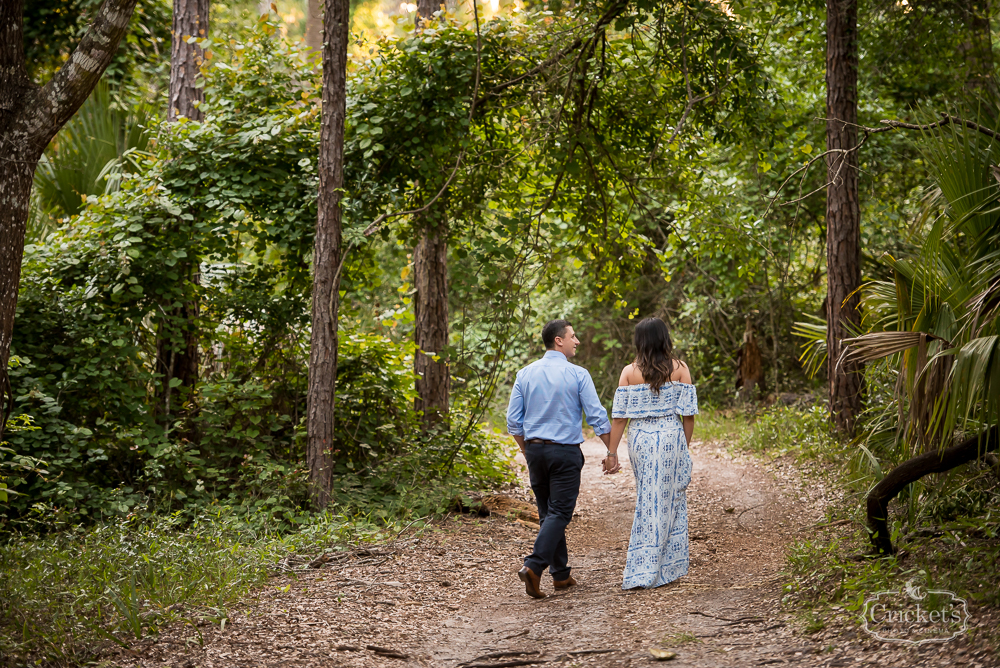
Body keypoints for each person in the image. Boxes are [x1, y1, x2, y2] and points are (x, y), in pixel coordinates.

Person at [506, 319, 611, 599]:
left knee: (548, 514)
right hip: (564, 452)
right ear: (558, 341)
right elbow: (597, 416)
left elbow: (513, 422)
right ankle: (533, 566)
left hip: (536, 451)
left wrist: (527, 450)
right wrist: (611, 451)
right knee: (560, 513)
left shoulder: (525, 373)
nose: (577, 341)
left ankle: (561, 575)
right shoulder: (578, 374)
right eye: (573, 336)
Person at [604, 317, 697, 590]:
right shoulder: (680, 369)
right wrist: (684, 447)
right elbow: (688, 416)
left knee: (648, 498)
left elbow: (620, 418)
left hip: (641, 438)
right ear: (664, 338)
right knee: (670, 498)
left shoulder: (629, 372)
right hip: (671, 434)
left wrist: (612, 452)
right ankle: (665, 567)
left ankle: (643, 566)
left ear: (640, 341)